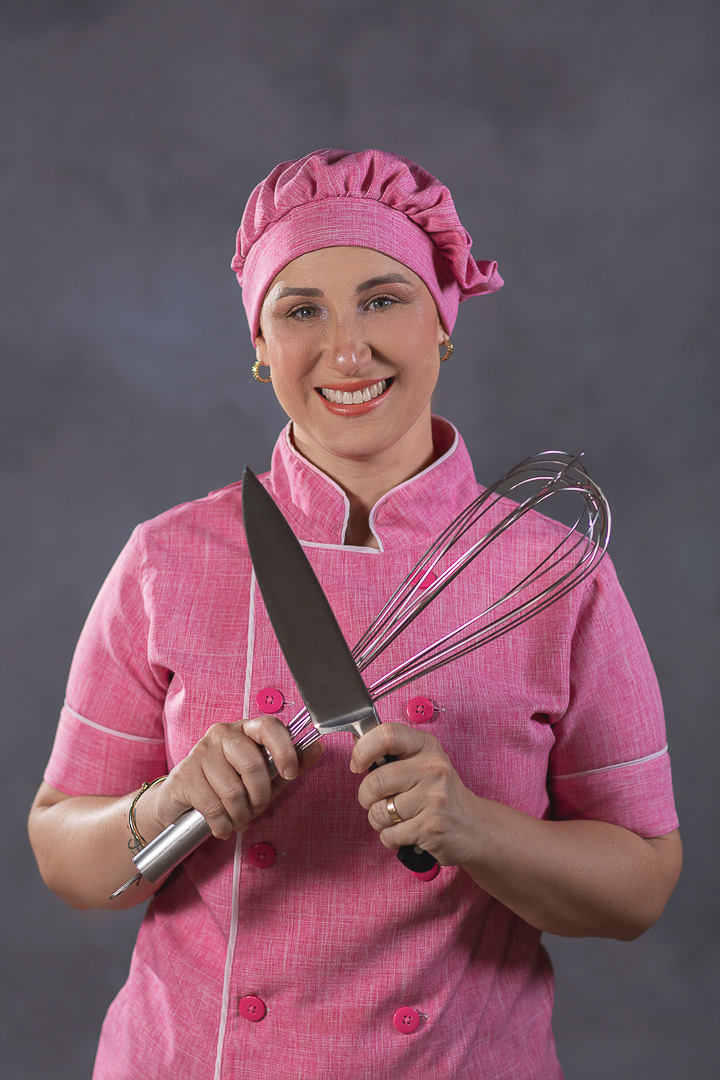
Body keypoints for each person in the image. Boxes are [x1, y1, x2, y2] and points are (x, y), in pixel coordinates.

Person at [28, 148, 681, 1080]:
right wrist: (171, 801)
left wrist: (477, 830)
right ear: (259, 348)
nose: (347, 350)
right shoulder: (167, 560)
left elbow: (641, 888)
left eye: (383, 299)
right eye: (302, 311)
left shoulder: (554, 573)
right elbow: (63, 850)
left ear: (443, 324)